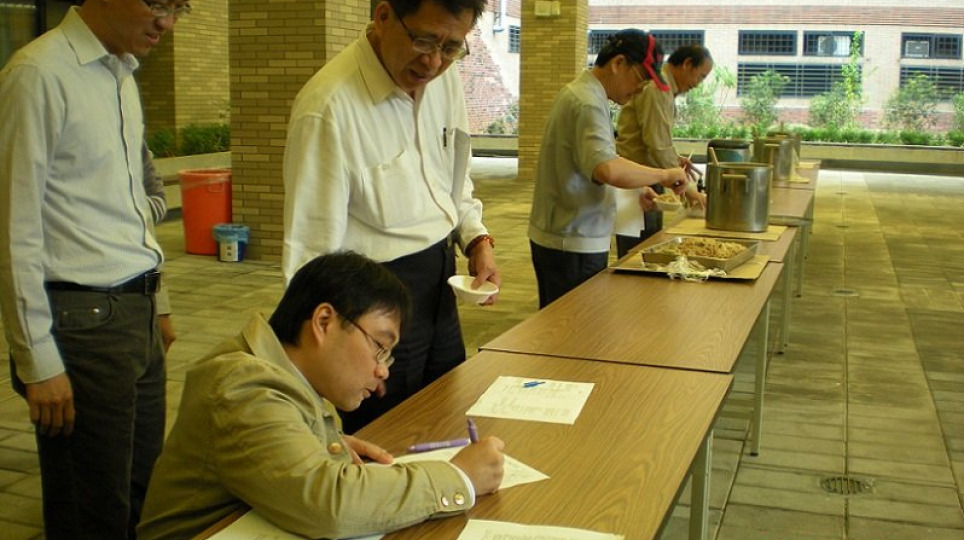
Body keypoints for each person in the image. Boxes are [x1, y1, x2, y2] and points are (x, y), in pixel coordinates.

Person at [137, 251, 505, 540]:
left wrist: (308, 439)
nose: (383, 371)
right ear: (324, 322)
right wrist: (458, 478)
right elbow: (329, 503)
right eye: (379, 347)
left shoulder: (280, 373)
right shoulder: (242, 386)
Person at [0, 2, 190, 538]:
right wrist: (38, 361)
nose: (167, 23)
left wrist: (158, 302)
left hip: (136, 311)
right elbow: (13, 228)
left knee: (142, 492)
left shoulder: (120, 73)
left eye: (180, 7)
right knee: (92, 507)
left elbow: (128, 207)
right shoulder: (38, 75)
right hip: (82, 321)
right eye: (158, 3)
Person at [283, 0, 499, 434]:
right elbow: (309, 250)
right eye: (423, 40)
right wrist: (336, 356)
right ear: (383, 17)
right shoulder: (329, 106)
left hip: (439, 285)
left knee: (446, 414)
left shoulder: (443, 79)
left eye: (451, 47)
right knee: (385, 435)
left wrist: (476, 238)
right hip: (370, 306)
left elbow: (453, 176)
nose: (433, 62)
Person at [528, 29, 689, 308]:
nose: (640, 89)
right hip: (573, 239)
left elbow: (586, 168)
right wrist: (665, 174)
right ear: (618, 63)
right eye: (640, 79)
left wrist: (633, 191)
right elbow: (607, 169)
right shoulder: (587, 102)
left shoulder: (585, 94)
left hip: (568, 234)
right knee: (575, 327)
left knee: (568, 324)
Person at [615, 44, 714, 257]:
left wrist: (675, 160)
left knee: (647, 247)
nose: (698, 84)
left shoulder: (664, 89)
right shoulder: (656, 88)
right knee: (637, 256)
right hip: (636, 179)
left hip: (647, 176)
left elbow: (657, 142)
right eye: (701, 76)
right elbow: (657, 145)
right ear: (687, 64)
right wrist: (687, 188)